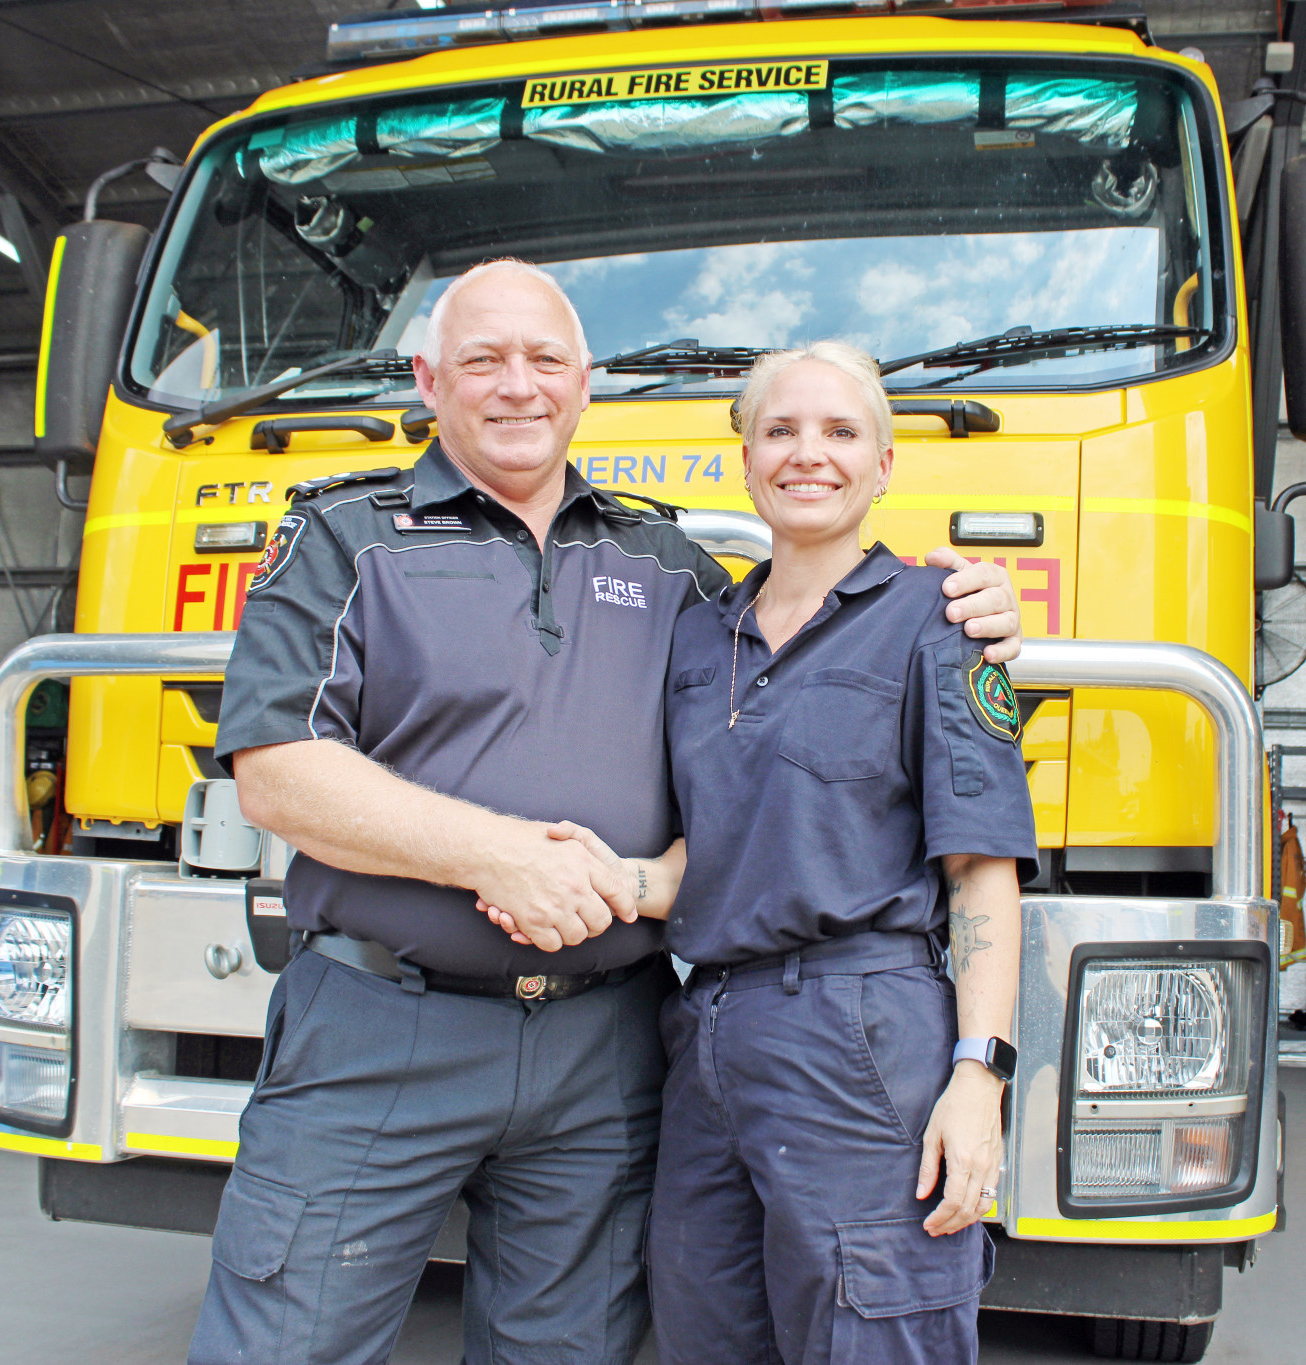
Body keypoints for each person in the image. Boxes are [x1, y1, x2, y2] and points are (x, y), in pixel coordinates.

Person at [190, 262, 1024, 1365]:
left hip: (608, 1048)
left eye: (544, 361)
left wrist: (980, 612)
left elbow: (803, 785)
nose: (516, 387)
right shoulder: (349, 539)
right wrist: (493, 858)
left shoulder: (667, 563)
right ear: (428, 381)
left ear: (585, 384)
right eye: (482, 361)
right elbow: (275, 774)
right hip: (384, 1027)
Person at [497, 341, 1034, 1363]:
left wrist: (977, 1078)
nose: (807, 454)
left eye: (839, 432)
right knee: (704, 1325)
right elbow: (712, 855)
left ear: (882, 465)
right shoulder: (701, 638)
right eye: (779, 430)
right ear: (743, 458)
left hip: (864, 1033)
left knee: (874, 1331)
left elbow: (979, 873)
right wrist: (581, 874)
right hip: (706, 1034)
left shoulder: (938, 620)